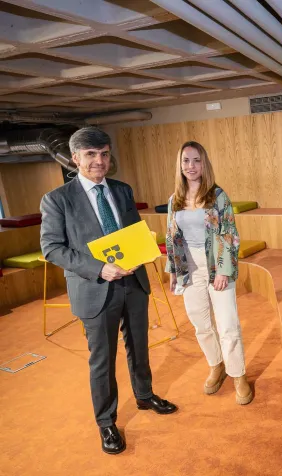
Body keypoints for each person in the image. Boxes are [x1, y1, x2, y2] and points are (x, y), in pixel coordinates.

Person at [40, 127, 177, 455]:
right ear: (75, 158)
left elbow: (132, 232)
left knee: (139, 347)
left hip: (133, 282)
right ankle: (106, 421)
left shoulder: (122, 190)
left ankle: (144, 395)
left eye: (104, 154)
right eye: (90, 155)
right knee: (102, 359)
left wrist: (144, 249)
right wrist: (99, 268)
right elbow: (52, 248)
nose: (99, 161)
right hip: (95, 287)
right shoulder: (57, 199)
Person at [164, 141, 253, 405]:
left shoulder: (217, 196)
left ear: (204, 164)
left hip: (216, 266)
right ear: (180, 165)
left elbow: (229, 234)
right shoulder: (174, 200)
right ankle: (217, 365)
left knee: (227, 325)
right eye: (186, 161)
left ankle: (238, 374)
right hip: (189, 269)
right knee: (200, 324)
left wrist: (223, 270)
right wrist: (173, 271)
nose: (191, 166)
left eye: (196, 160)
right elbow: (171, 237)